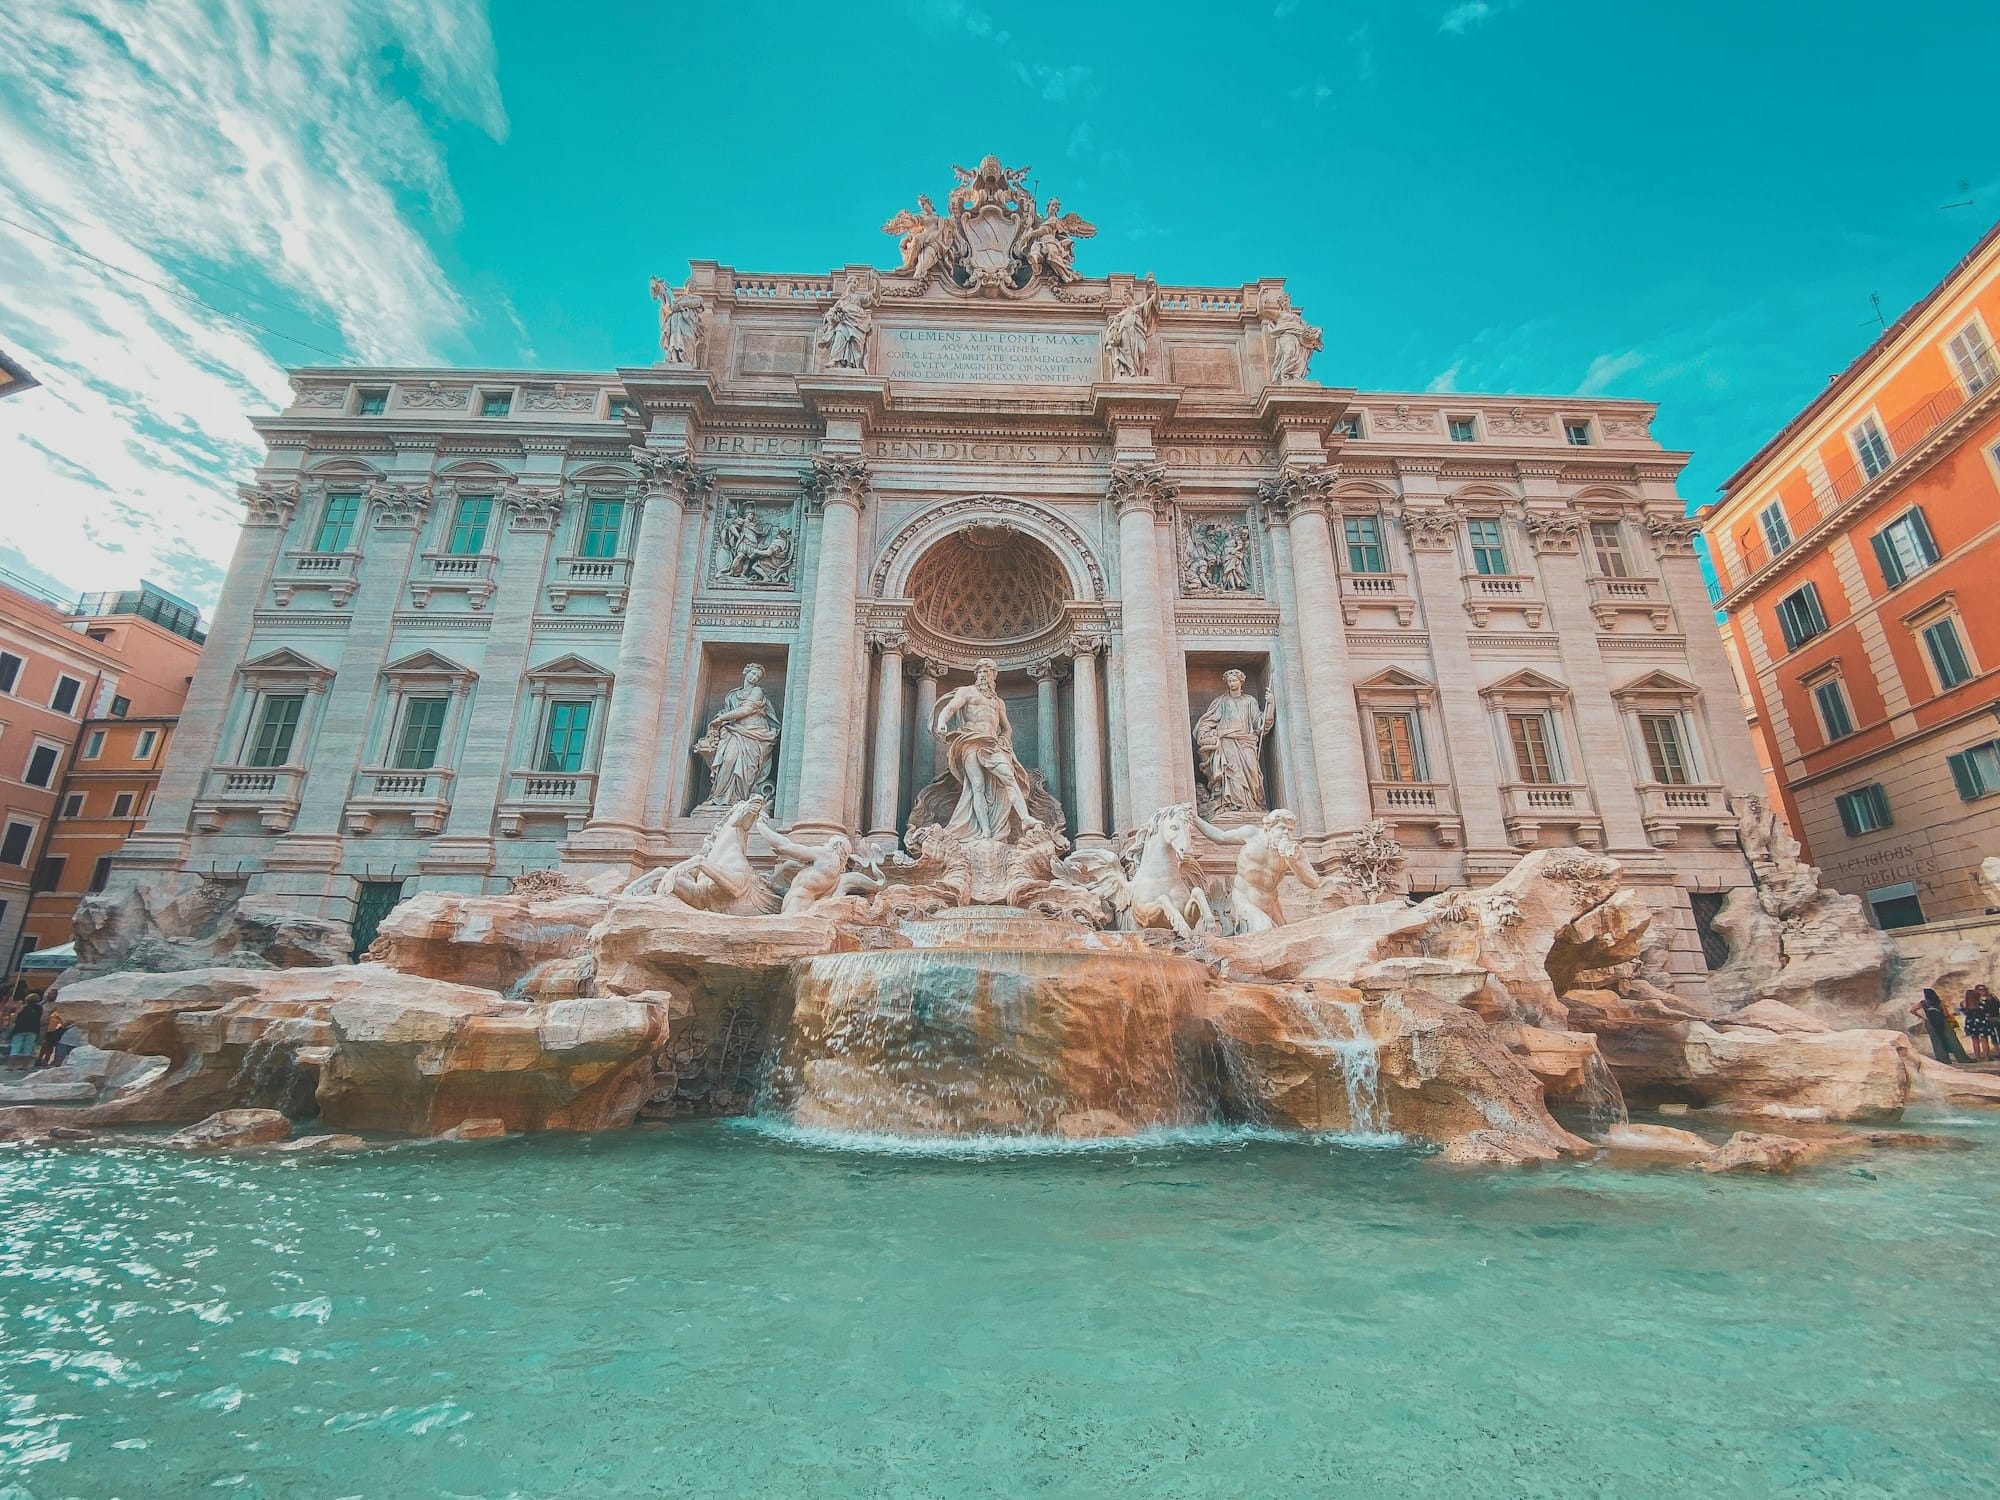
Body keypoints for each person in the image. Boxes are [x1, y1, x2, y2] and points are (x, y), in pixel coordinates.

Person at [1913, 987, 1970, 1064]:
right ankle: (1962, 1058)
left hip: (1930, 1023)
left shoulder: (1923, 1003)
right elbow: (1946, 1014)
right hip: (1943, 1021)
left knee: (1936, 1041)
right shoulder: (1939, 1002)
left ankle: (1943, 1059)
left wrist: (1922, 1017)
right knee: (1952, 1039)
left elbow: (1912, 1010)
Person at [7, 989, 44, 1069]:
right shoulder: (39, 1008)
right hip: (33, 1029)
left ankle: (11, 1066)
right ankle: (25, 1066)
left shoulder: (23, 1008)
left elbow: (14, 1018)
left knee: (16, 1047)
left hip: (20, 1029)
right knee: (28, 1047)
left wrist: (16, 1010)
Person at [1961, 984, 1998, 1063]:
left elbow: (1962, 1011)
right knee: (1984, 1039)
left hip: (1970, 1023)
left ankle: (1978, 1057)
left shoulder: (1964, 1004)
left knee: (1975, 1041)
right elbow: (1987, 1012)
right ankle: (1986, 1056)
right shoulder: (1980, 1003)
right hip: (1981, 1022)